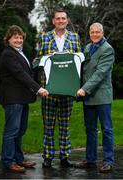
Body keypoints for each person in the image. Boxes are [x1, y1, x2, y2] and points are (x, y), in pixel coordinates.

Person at [0, 25, 49, 172]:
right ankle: (9, 161)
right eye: (15, 37)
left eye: (21, 37)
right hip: (13, 98)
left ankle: (19, 159)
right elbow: (20, 74)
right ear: (8, 39)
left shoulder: (20, 53)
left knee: (20, 130)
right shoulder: (8, 54)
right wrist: (38, 88)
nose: (19, 40)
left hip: (22, 98)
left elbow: (28, 71)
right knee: (12, 131)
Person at [37, 9, 81, 168]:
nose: (61, 20)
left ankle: (65, 156)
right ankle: (48, 156)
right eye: (58, 18)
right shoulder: (45, 37)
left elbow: (79, 62)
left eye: (63, 18)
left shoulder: (75, 38)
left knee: (64, 124)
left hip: (68, 89)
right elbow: (38, 60)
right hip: (49, 89)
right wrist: (48, 58)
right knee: (48, 125)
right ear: (53, 21)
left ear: (67, 21)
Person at [76, 22, 114, 173]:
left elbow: (100, 73)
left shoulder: (108, 49)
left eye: (97, 32)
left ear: (102, 33)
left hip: (102, 97)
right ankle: (90, 159)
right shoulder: (87, 48)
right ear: (89, 33)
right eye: (92, 32)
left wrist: (84, 89)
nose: (95, 34)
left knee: (106, 129)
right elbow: (83, 71)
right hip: (88, 97)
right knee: (90, 129)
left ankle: (108, 161)